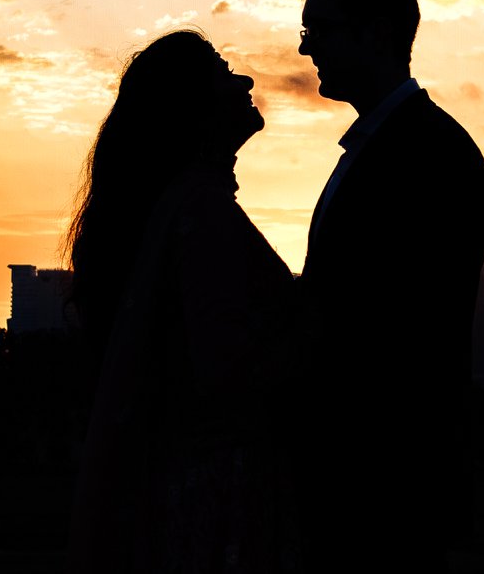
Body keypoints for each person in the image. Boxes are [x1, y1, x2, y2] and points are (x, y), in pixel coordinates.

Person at [67, 30, 298, 572]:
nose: (244, 79)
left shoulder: (187, 208)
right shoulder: (200, 214)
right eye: (222, 73)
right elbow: (228, 371)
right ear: (191, 109)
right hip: (218, 498)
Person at [296, 0, 484, 569]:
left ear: (376, 34)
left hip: (385, 481)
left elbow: (391, 331)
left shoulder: (430, 155)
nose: (305, 49)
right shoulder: (391, 146)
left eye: (319, 30)